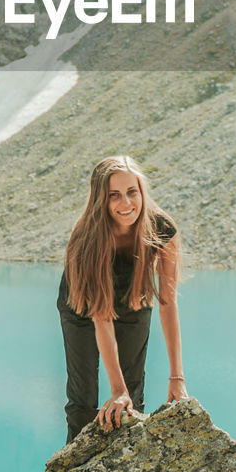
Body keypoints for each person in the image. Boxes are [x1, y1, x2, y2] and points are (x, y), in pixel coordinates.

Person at [57, 155, 188, 443]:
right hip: (81, 305)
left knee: (132, 398)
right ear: (101, 199)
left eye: (132, 192)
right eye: (114, 195)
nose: (126, 203)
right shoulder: (87, 239)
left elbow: (167, 303)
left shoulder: (162, 229)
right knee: (83, 401)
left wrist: (177, 379)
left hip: (133, 297)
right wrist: (116, 390)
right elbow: (101, 318)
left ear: (142, 192)